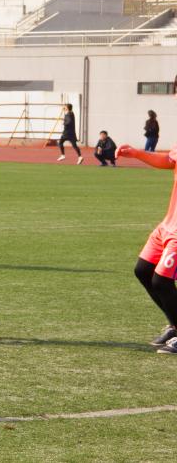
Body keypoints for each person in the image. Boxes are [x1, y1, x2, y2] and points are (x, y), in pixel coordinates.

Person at [117, 79, 177, 353]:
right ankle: (174, 324)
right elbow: (170, 161)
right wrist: (137, 153)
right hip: (169, 223)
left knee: (161, 280)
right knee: (143, 270)